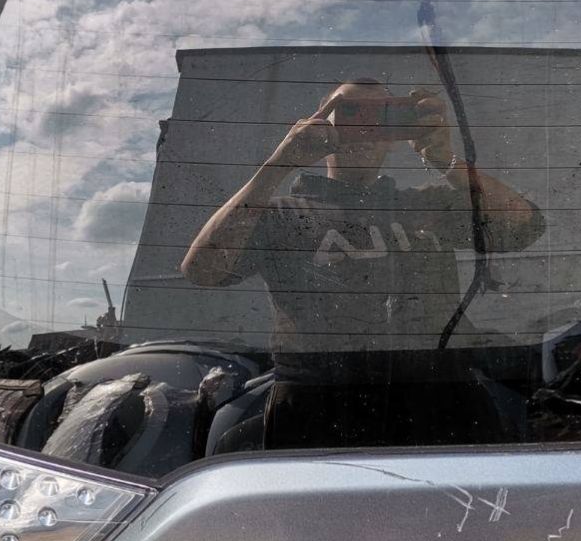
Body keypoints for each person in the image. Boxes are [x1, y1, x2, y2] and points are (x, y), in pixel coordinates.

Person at [180, 78, 544, 450]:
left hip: (444, 402)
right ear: (320, 124)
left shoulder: (425, 205)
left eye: (383, 114)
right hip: (318, 408)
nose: (367, 126)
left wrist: (444, 159)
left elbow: (524, 226)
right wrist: (280, 163)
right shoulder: (282, 215)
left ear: (396, 132)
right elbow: (203, 269)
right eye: (350, 111)